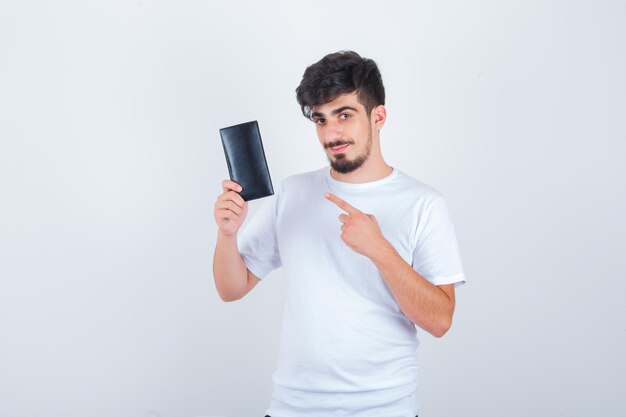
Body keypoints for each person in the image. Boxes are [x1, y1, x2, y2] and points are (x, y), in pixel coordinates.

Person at [213, 50, 466, 417]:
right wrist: (227, 234)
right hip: (292, 407)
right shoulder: (293, 193)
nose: (331, 134)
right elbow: (231, 288)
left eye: (344, 115)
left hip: (385, 408)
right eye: (320, 119)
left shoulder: (424, 203)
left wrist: (380, 250)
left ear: (378, 116)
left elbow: (440, 321)